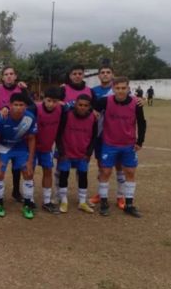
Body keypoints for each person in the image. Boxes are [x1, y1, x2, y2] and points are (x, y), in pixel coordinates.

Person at [94, 77, 147, 217]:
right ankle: (104, 203)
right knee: (105, 172)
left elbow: (142, 122)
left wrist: (140, 141)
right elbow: (89, 106)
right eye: (118, 88)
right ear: (113, 89)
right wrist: (93, 111)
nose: (121, 91)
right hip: (109, 143)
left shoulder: (135, 103)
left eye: (124, 88)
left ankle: (129, 204)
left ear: (128, 89)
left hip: (128, 145)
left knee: (130, 172)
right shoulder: (106, 101)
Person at [0, 66, 31, 204]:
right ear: (2, 77)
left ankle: (16, 191)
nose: (9, 76)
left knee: (17, 164)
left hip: (18, 131)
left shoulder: (21, 89)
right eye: (6, 74)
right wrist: (2, 110)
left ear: (15, 76)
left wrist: (25, 90)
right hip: (0, 131)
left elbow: (30, 106)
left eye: (11, 74)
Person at [0, 93, 37, 219]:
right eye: (15, 105)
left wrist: (30, 160)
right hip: (4, 148)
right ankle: (0, 204)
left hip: (20, 148)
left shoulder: (30, 117)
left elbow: (32, 139)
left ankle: (27, 206)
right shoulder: (2, 117)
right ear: (10, 105)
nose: (18, 108)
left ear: (26, 106)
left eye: (21, 105)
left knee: (28, 173)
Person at [55, 94, 97, 213]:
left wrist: (88, 154)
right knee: (64, 175)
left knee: (83, 176)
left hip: (82, 154)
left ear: (89, 107)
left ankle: (82, 202)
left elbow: (94, 138)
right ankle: (64, 201)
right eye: (80, 105)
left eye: (85, 105)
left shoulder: (93, 118)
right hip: (66, 154)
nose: (82, 107)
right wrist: (62, 152)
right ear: (76, 105)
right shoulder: (66, 115)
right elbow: (58, 134)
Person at [25, 87, 63, 214]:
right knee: (30, 172)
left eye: (55, 101)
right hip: (32, 147)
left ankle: (47, 202)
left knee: (48, 171)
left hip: (47, 148)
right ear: (43, 98)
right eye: (48, 100)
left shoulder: (61, 109)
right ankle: (29, 200)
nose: (51, 104)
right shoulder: (35, 109)